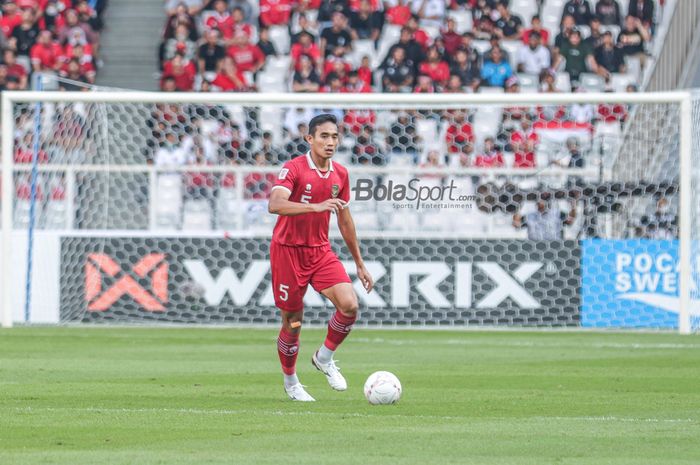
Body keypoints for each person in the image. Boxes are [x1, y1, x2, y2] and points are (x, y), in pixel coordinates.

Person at [267, 113, 374, 402]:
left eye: (334, 136)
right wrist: (315, 207)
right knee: (293, 320)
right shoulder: (294, 168)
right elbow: (275, 204)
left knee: (350, 305)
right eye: (324, 136)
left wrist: (360, 264)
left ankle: (324, 357)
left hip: (320, 251)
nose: (330, 142)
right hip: (287, 251)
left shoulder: (341, 174)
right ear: (309, 139)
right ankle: (291, 382)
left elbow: (345, 221)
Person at [512, 194, 577, 240]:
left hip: (555, 245)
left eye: (542, 200)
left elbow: (570, 221)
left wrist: (573, 207)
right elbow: (516, 224)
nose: (539, 203)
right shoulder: (530, 216)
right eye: (538, 201)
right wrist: (517, 208)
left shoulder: (557, 213)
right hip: (535, 246)